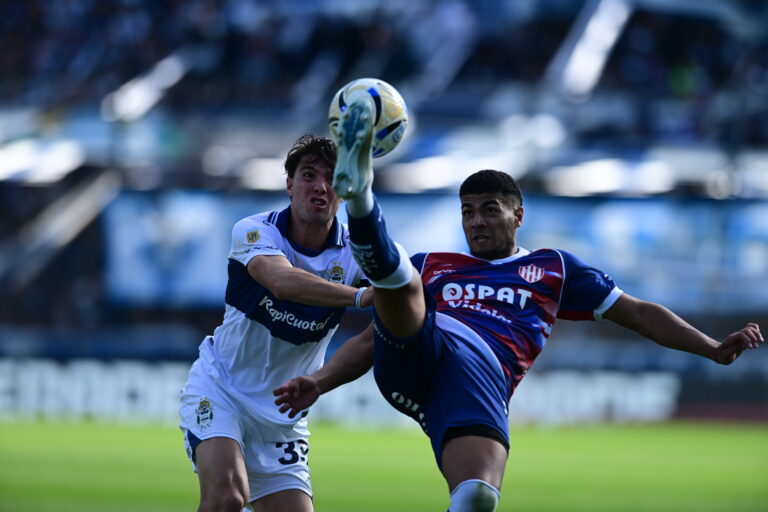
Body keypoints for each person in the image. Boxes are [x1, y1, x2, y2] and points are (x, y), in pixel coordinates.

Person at [273, 95, 764, 512]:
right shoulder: (438, 263)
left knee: (478, 497)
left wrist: (712, 348)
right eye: (467, 212)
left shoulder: (553, 268)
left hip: (477, 381)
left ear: (518, 215)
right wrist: (319, 381)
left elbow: (637, 313)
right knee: (402, 280)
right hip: (416, 350)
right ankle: (360, 199)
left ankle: (368, 216)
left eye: (490, 210)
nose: (477, 222)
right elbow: (368, 337)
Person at [178, 133, 374, 512]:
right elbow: (282, 282)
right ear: (289, 184)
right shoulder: (255, 231)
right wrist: (359, 297)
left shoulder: (358, 254)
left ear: (345, 191)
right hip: (222, 388)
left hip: (282, 414)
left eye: (332, 178)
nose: (320, 186)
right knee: (226, 498)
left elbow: (392, 317)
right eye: (308, 175)